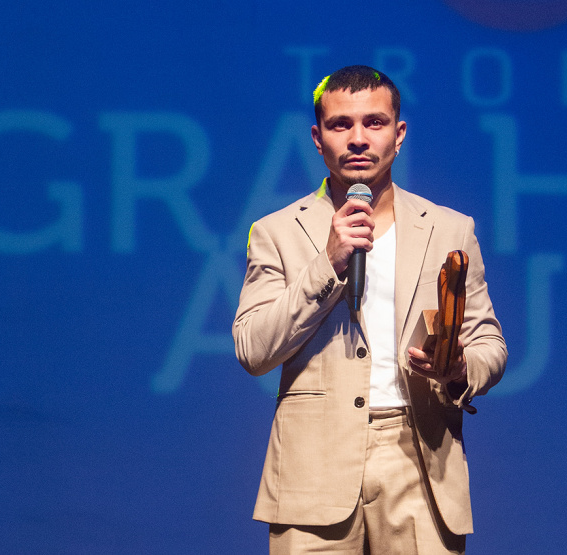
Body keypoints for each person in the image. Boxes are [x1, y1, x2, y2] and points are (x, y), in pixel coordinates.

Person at [232, 65, 507, 554]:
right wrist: (328, 262)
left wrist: (460, 370)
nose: (358, 138)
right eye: (341, 125)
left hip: (419, 459)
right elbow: (253, 348)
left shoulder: (449, 229)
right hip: (312, 469)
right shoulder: (275, 232)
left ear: (398, 135)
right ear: (318, 139)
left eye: (374, 123)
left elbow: (489, 343)